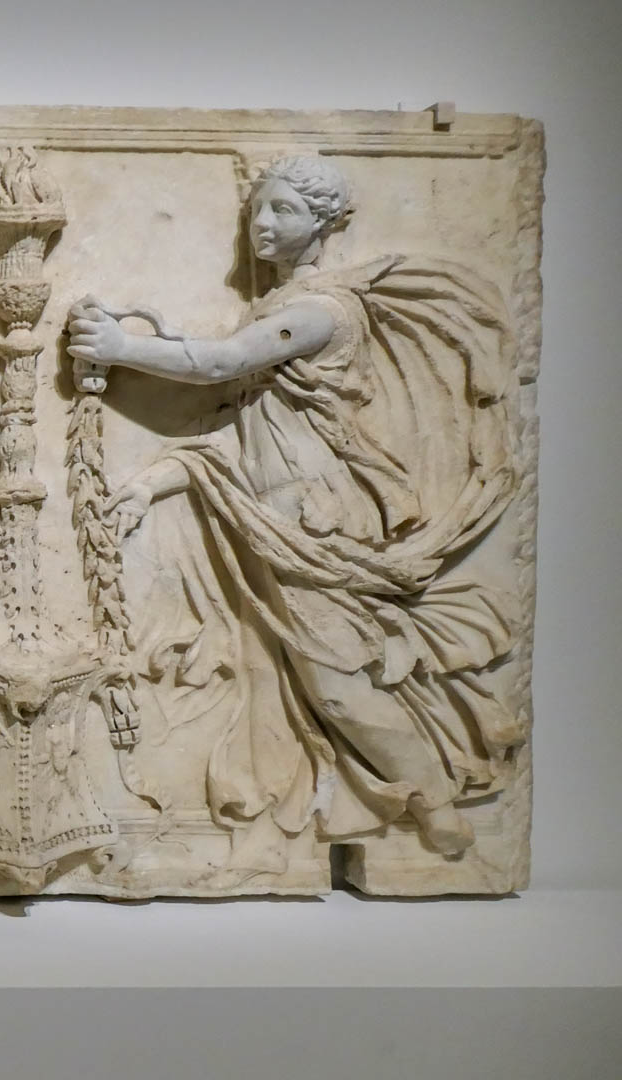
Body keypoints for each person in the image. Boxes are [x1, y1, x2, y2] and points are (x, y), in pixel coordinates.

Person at [66, 155, 521, 872]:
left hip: (317, 520)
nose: (263, 224)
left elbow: (220, 363)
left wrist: (123, 348)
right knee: (311, 679)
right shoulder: (273, 309)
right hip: (266, 514)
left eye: (285, 210)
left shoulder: (320, 312)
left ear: (326, 224)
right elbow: (239, 433)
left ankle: (435, 799)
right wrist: (151, 483)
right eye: (258, 209)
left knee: (335, 685)